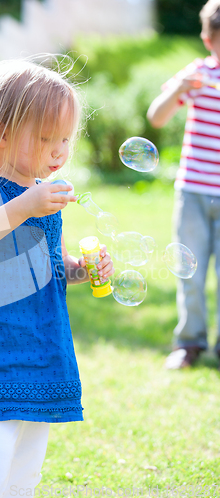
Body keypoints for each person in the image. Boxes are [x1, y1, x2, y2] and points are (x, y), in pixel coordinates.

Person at [0, 56, 115, 498]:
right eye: (44, 138)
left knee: (25, 467)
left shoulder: (44, 196)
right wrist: (23, 206)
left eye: (65, 139)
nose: (59, 151)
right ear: (1, 132)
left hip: (42, 345)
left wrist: (79, 269)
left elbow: (48, 265)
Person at [147, 0, 220, 369]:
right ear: (209, 40)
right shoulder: (198, 75)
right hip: (192, 189)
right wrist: (177, 85)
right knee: (188, 272)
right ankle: (189, 343)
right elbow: (156, 117)